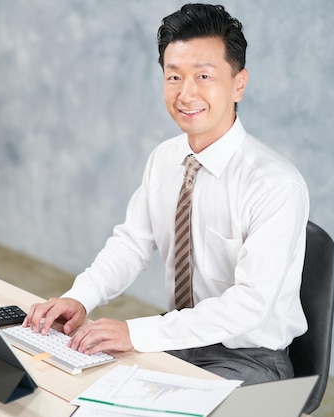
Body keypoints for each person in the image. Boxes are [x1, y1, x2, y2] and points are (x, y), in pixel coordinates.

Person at [23, 3, 309, 385]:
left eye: (204, 76)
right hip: (177, 338)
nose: (186, 94)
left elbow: (250, 306)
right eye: (174, 77)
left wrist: (137, 334)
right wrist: (80, 297)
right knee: (73, 381)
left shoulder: (275, 185)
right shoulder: (166, 158)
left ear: (239, 83)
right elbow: (131, 244)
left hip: (249, 357)